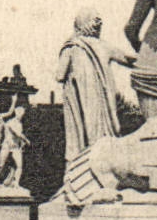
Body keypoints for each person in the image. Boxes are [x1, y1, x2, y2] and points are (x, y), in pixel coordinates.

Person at [56, 9, 136, 160]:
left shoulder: (72, 46)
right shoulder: (101, 46)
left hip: (86, 107)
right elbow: (128, 59)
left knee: (87, 136)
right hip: (99, 105)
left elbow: (60, 75)